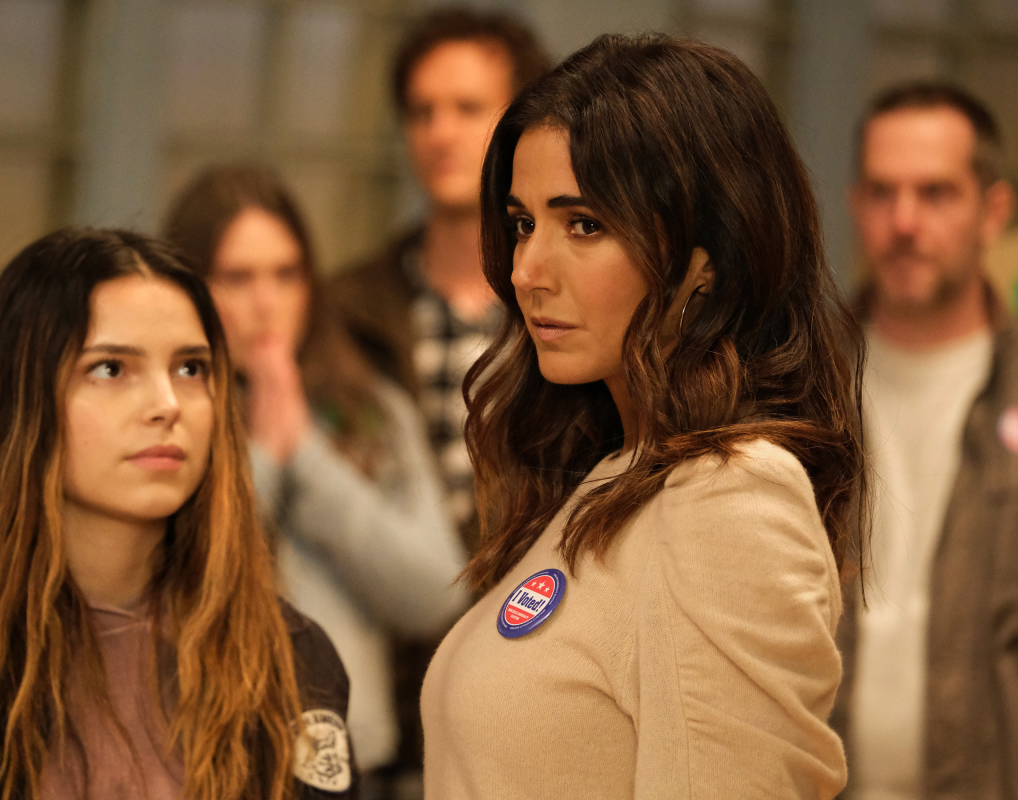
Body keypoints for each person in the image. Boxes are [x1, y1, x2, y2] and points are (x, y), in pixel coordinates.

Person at [421, 33, 867, 799]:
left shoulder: (732, 498)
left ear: (706, 259)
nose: (526, 271)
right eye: (523, 223)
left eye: (583, 225)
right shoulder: (614, 471)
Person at [0, 228, 358, 800]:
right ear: (20, 397)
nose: (167, 405)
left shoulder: (289, 659)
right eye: (110, 369)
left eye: (190, 369)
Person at [163, 166, 467, 786]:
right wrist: (265, 456)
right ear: (189, 289)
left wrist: (306, 455)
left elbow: (435, 594)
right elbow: (185, 578)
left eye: (286, 274)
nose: (267, 303)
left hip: (350, 759)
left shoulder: (370, 410)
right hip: (197, 756)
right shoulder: (165, 413)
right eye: (237, 278)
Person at [325, 11, 547, 787]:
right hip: (383, 693)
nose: (441, 133)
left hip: (530, 685)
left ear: (521, 126)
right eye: (422, 111)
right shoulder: (347, 310)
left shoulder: (558, 305)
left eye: (468, 108)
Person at [832, 82, 1017, 799]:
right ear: (856, 205)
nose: (903, 222)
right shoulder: (799, 388)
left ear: (992, 212)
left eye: (935, 194)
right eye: (882, 193)